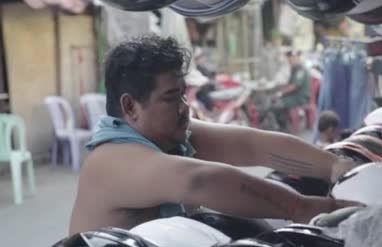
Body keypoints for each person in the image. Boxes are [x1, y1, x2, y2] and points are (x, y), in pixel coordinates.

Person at [69, 35, 359, 235]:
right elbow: (199, 181)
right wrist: (304, 208)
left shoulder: (169, 135)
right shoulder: (111, 159)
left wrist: (334, 166)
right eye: (171, 97)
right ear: (130, 106)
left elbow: (250, 145)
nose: (185, 108)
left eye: (184, 95)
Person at [269, 50, 311, 132]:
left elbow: (294, 86)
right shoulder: (294, 69)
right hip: (293, 95)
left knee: (277, 106)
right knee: (274, 101)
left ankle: (283, 128)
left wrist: (280, 93)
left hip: (300, 97)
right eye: (289, 59)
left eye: (293, 58)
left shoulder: (300, 70)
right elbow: (290, 84)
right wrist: (280, 88)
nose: (290, 60)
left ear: (297, 58)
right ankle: (284, 123)